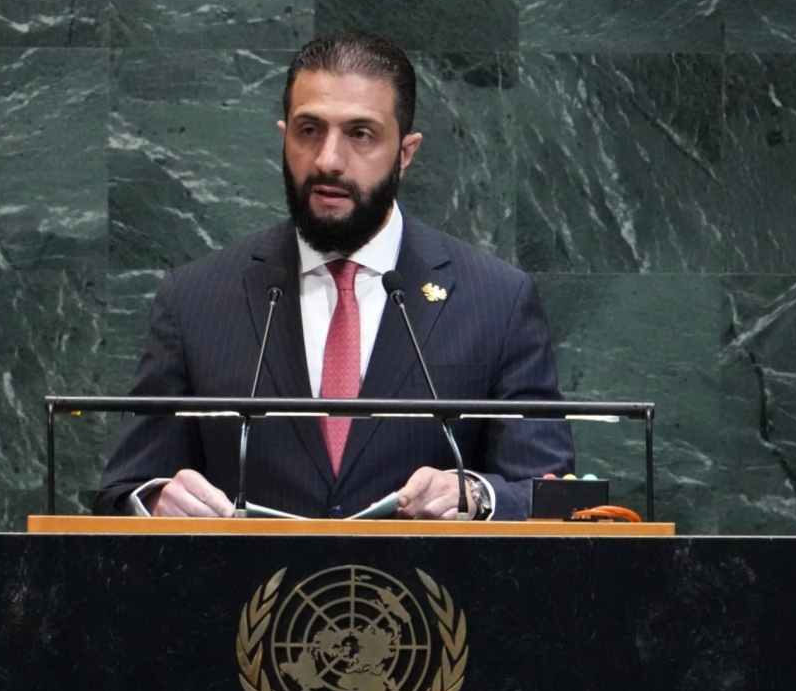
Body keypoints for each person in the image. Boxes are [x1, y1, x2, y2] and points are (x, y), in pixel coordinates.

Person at [94, 30, 573, 520]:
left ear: (405, 153)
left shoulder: (496, 300)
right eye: (309, 130)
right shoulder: (196, 299)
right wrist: (155, 501)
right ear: (284, 135)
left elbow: (552, 494)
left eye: (360, 134)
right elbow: (125, 487)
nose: (328, 160)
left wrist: (476, 495)